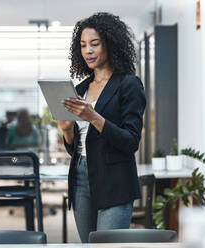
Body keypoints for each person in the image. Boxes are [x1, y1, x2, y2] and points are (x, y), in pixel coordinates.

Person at [57, 12, 146, 243]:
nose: (88, 51)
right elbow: (76, 147)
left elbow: (131, 141)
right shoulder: (81, 88)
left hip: (115, 179)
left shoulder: (129, 84)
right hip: (80, 176)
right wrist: (67, 131)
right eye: (83, 45)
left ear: (110, 44)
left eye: (94, 44)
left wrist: (94, 117)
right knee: (88, 245)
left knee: (107, 246)